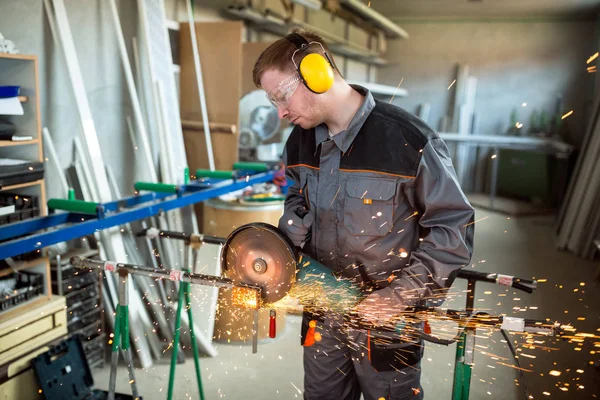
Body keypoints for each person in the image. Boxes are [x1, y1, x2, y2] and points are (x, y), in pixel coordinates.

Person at [252, 29, 475, 400]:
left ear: (316, 74)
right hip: (323, 310)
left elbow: (453, 229)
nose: (281, 112)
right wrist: (284, 243)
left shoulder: (408, 141)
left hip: (387, 322)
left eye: (281, 97)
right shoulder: (300, 140)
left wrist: (400, 296)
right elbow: (295, 198)